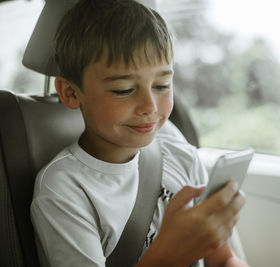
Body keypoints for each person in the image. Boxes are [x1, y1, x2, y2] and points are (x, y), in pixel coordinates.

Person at [30, 0, 248, 266]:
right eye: (123, 90)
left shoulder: (181, 158)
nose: (150, 107)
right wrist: (171, 253)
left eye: (162, 85)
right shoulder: (64, 190)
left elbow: (224, 259)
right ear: (71, 92)